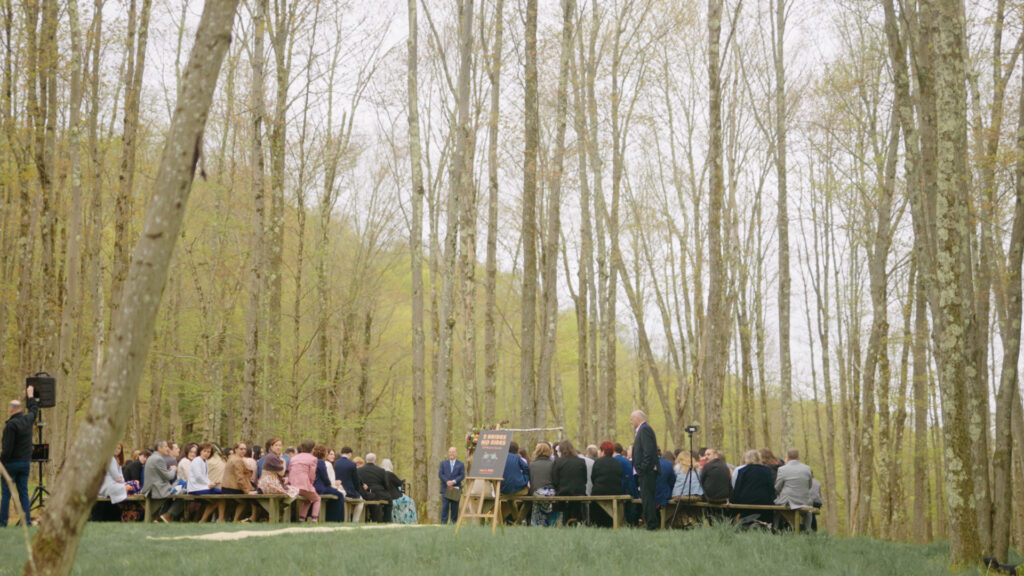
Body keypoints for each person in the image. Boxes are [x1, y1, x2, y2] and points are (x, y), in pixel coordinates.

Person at [1, 384, 37, 527]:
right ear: (20, 410)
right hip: (24, 464)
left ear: (10, 410)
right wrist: (31, 396)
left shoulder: (11, 426)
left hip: (10, 464)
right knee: (23, 493)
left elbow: (7, 449)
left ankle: (2, 523)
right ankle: (26, 522)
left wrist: (1, 463)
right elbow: (34, 410)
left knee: (6, 494)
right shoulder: (28, 420)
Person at [142, 440, 186, 523]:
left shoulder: (152, 457)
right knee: (183, 493)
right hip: (157, 489)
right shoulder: (158, 459)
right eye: (166, 447)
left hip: (154, 488)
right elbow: (169, 476)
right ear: (159, 448)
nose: (168, 449)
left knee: (178, 491)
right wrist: (173, 470)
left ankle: (160, 517)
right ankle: (167, 515)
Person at [630, 410, 660, 530]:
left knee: (648, 499)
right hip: (645, 471)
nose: (631, 422)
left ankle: (652, 525)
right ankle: (650, 523)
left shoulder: (645, 429)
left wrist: (642, 468)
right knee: (646, 499)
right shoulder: (642, 430)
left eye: (632, 419)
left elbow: (648, 452)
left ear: (637, 418)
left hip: (647, 472)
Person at [731, 449, 775, 523]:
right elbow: (770, 487)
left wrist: (734, 501)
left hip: (745, 502)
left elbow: (737, 489)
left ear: (747, 459)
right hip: (764, 501)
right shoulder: (767, 470)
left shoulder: (742, 471)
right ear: (759, 458)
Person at [774, 448, 813, 530]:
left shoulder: (782, 469)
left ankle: (775, 528)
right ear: (798, 457)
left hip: (787, 502)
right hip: (804, 501)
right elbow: (809, 486)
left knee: (776, 508)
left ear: (787, 457)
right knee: (808, 511)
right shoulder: (807, 469)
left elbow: (777, 488)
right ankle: (807, 531)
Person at [187, 443, 227, 523]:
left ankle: (210, 519)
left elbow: (205, 477)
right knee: (219, 495)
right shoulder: (196, 460)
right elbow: (198, 476)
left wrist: (212, 483)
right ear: (200, 451)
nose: (206, 453)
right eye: (204, 451)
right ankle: (211, 519)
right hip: (195, 488)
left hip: (202, 487)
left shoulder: (205, 462)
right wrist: (209, 483)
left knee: (219, 496)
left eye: (208, 452)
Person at [551, 440, 587, 525]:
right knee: (576, 507)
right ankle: (577, 522)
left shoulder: (558, 462)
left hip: (563, 492)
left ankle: (564, 523)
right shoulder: (581, 461)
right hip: (579, 492)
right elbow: (585, 479)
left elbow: (555, 481)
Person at [590, 442, 625, 528]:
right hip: (615, 491)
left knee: (594, 504)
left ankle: (596, 524)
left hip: (599, 491)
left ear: (602, 451)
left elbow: (593, 478)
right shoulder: (617, 463)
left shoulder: (598, 462)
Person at [222, 442, 257, 522]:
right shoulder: (237, 460)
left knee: (251, 497)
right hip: (232, 488)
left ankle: (241, 519)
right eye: (241, 449)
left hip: (226, 487)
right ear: (235, 449)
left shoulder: (232, 458)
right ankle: (239, 519)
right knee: (250, 500)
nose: (243, 451)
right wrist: (247, 491)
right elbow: (240, 478)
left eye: (245, 449)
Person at [289, 440, 321, 522]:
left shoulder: (294, 458)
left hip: (292, 484)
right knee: (317, 499)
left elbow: (290, 470)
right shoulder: (313, 459)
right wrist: (310, 483)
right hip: (303, 484)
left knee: (308, 499)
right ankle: (314, 518)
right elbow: (312, 474)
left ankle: (302, 517)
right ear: (312, 449)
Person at [500, 441, 530, 523]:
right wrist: (525, 479)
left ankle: (516, 519)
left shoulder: (501, 458)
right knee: (529, 499)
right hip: (519, 490)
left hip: (504, 491)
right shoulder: (517, 458)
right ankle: (519, 521)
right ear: (517, 450)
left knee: (510, 500)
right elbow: (526, 468)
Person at [313, 444, 345, 522]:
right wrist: (331, 485)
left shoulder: (314, 461)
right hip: (320, 487)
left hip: (314, 486)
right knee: (340, 495)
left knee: (336, 493)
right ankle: (337, 519)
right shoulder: (321, 462)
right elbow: (325, 477)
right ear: (323, 453)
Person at [528, 442, 557, 526]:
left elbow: (531, 481)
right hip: (551, 492)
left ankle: (537, 524)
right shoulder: (553, 464)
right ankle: (551, 523)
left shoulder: (532, 465)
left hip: (537, 492)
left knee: (537, 502)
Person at [359, 453, 393, 522]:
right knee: (389, 501)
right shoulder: (381, 471)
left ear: (366, 460)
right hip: (379, 494)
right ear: (375, 461)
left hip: (365, 494)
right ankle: (386, 521)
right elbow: (386, 485)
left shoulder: (359, 470)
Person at [382, 459, 415, 524]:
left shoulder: (380, 474)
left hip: (384, 495)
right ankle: (409, 520)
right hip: (394, 496)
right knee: (411, 502)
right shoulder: (390, 474)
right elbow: (399, 483)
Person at [438, 446, 464, 524]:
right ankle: (443, 524)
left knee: (454, 508)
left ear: (456, 453)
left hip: (455, 488)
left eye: (453, 452)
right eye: (450, 452)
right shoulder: (443, 463)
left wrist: (454, 481)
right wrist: (447, 481)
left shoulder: (460, 464)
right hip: (445, 488)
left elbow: (462, 475)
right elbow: (440, 474)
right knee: (445, 507)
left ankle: (453, 524)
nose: (451, 454)